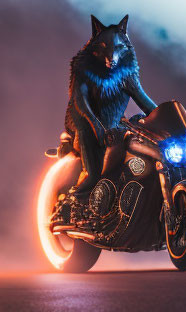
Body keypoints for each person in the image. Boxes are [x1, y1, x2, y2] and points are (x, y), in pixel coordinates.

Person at [64, 15, 157, 203]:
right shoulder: (83, 70)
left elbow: (145, 102)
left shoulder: (127, 74)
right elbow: (81, 104)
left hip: (113, 125)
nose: (111, 57)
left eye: (118, 49)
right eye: (105, 48)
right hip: (85, 122)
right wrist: (98, 128)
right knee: (93, 174)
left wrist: (164, 119)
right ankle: (73, 202)